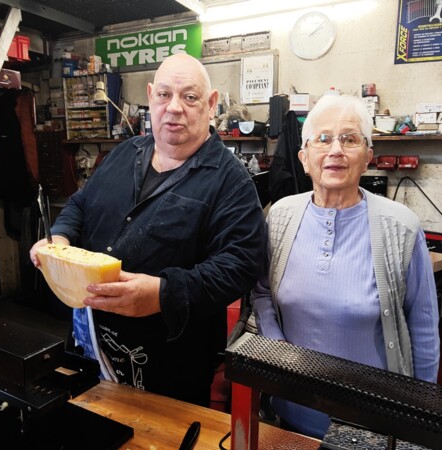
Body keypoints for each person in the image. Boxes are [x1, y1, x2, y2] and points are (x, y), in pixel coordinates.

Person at [30, 53, 266, 407]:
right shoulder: (126, 153)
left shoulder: (230, 180)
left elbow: (242, 263)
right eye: (164, 95)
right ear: (151, 97)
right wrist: (59, 237)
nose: (174, 108)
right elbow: (80, 204)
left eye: (189, 97)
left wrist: (164, 295)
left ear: (211, 103)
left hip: (171, 362)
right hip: (91, 337)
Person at [252, 94, 440, 439]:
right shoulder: (279, 216)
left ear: (367, 156)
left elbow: (424, 328)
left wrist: (415, 417)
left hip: (372, 423)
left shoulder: (402, 227)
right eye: (323, 139)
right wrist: (277, 351)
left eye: (349, 138)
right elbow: (262, 292)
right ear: (304, 158)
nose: (335, 149)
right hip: (290, 412)